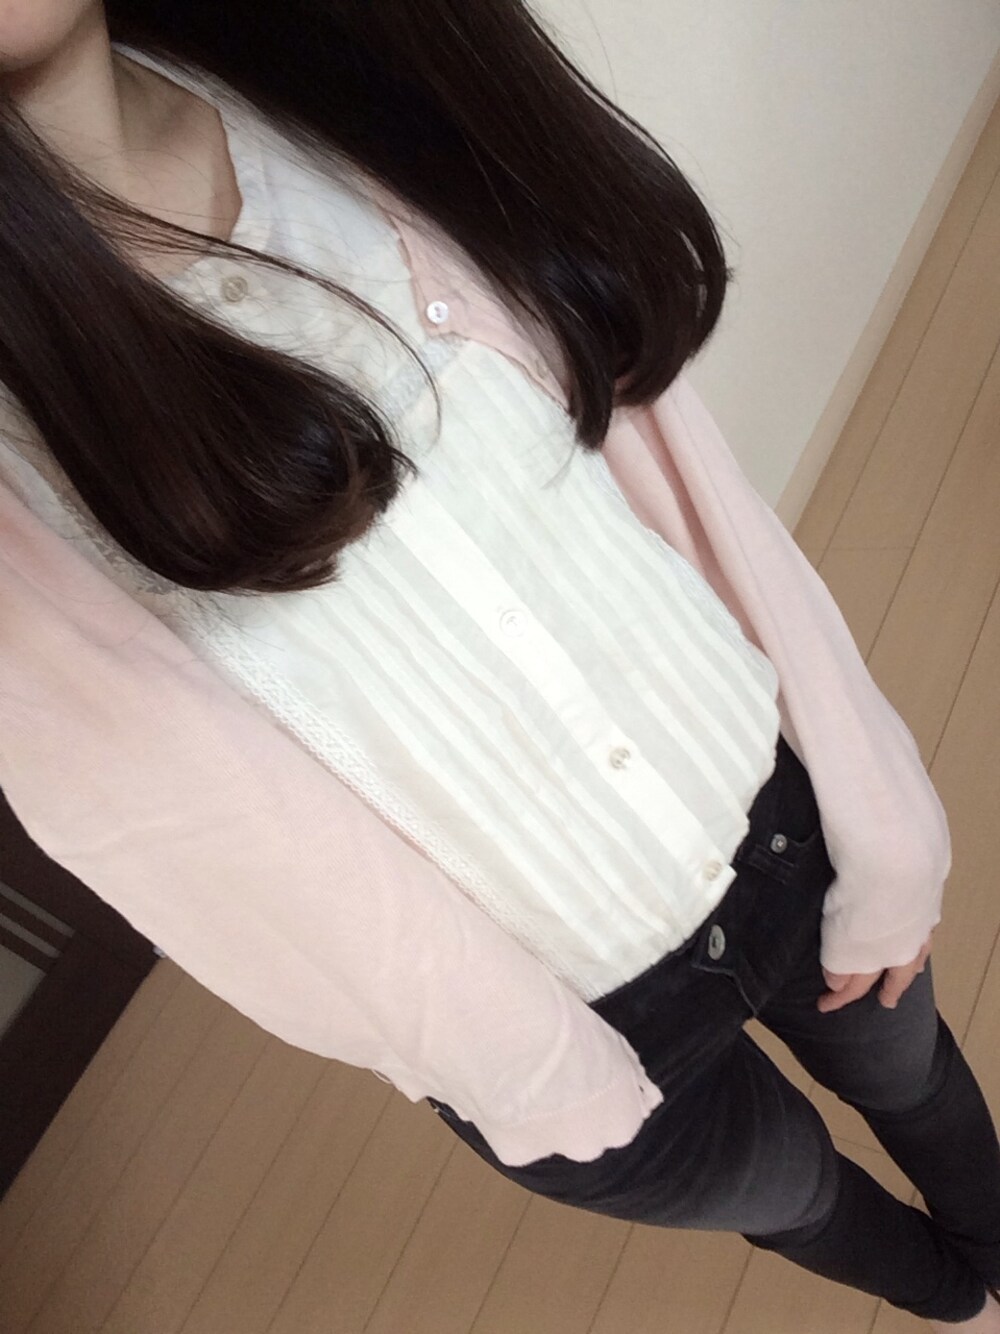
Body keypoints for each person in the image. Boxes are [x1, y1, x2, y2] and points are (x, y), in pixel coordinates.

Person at [1, 3, 998, 1328]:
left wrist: (878, 802)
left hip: (782, 818)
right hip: (577, 1032)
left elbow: (689, 490)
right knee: (807, 1201)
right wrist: (532, 1080)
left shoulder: (352, 96)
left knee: (916, 1076)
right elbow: (188, 847)